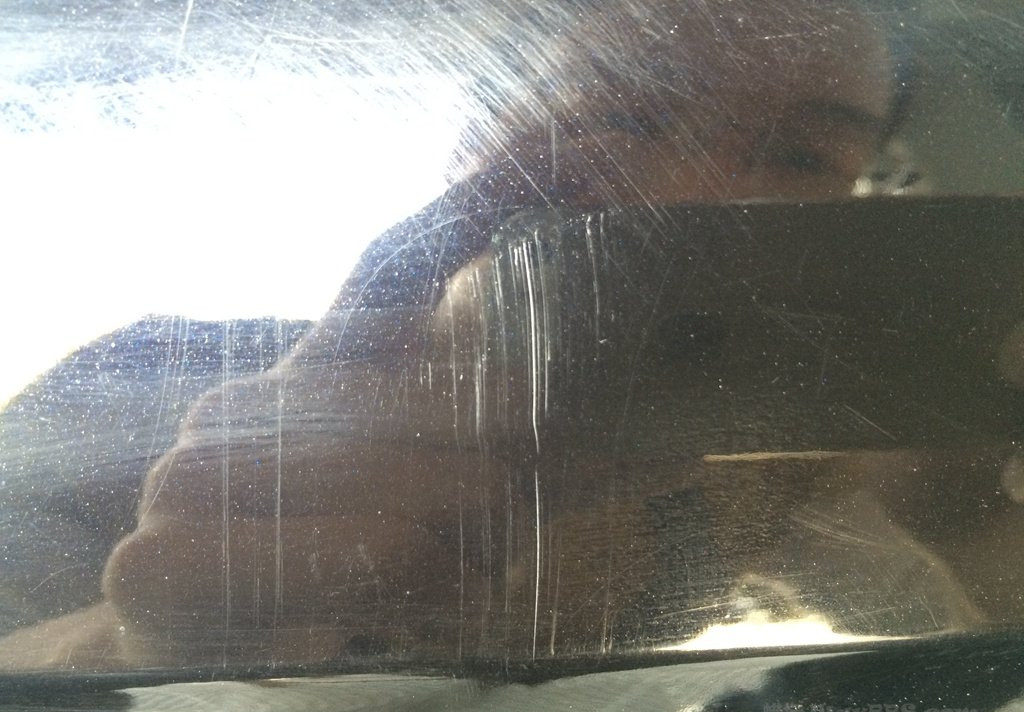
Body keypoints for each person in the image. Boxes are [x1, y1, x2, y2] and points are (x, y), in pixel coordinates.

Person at [0, 0, 992, 669]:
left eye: (802, 155)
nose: (701, 192)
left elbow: (946, 681)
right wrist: (136, 645)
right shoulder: (144, 372)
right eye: (626, 117)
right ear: (485, 145)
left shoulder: (789, 465)